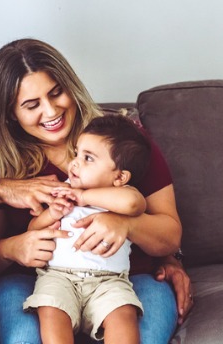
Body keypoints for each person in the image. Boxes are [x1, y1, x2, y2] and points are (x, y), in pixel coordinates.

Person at [0, 38, 193, 344]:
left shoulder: (119, 140)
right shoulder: (2, 164)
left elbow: (170, 234)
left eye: (56, 93)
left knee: (145, 337)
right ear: (11, 113)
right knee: (23, 338)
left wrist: (127, 224)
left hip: (126, 279)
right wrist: (13, 248)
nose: (51, 111)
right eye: (32, 105)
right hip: (37, 282)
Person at [24, 114, 151, 343]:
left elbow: (133, 204)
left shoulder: (125, 194)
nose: (75, 163)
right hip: (59, 276)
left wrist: (84, 197)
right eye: (76, 154)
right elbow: (33, 228)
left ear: (119, 176)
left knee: (123, 314)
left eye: (88, 158)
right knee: (51, 309)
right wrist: (50, 214)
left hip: (109, 281)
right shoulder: (63, 190)